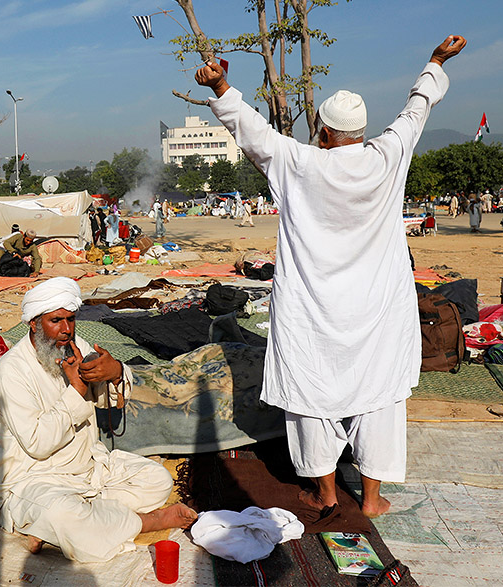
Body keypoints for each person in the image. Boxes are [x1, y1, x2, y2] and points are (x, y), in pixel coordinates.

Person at [196, 34, 466, 518]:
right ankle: (372, 497)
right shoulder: (387, 156)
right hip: (377, 309)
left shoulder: (298, 162)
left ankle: (324, 492)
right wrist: (436, 61)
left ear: (322, 131)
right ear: (360, 131)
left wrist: (221, 88)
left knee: (311, 392)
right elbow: (416, 110)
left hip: (313, 309)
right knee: (379, 395)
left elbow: (252, 131)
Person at [0, 278, 197, 562]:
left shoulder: (76, 347)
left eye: (71, 319)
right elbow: (38, 444)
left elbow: (108, 398)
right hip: (35, 478)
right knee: (62, 513)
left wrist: (116, 373)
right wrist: (77, 390)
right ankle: (146, 521)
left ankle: (59, 527)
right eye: (56, 321)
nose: (66, 329)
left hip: (88, 467)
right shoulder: (12, 370)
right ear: (34, 323)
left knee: (157, 480)